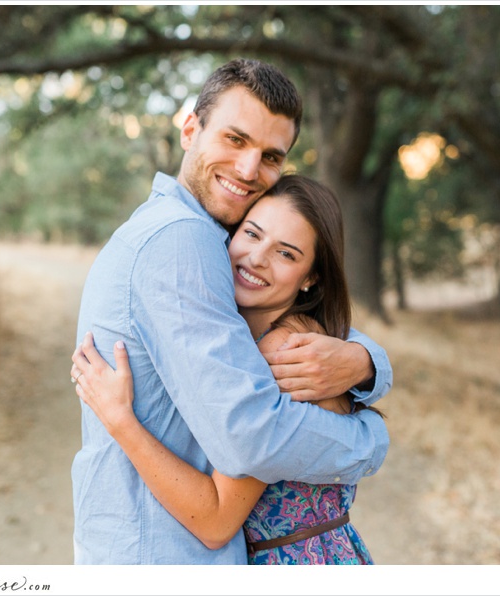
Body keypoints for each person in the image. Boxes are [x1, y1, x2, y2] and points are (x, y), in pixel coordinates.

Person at [71, 58, 392, 564]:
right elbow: (252, 436)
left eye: (270, 156)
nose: (248, 170)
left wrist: (367, 364)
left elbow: (309, 341)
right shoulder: (185, 239)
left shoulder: (186, 233)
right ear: (190, 128)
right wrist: (370, 440)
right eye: (235, 139)